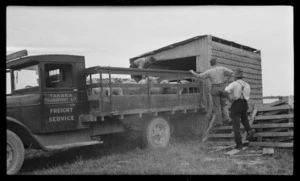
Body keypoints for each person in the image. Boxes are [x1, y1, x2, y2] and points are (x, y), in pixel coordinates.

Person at [190, 58, 233, 127]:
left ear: (211, 64)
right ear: (216, 63)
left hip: (215, 88)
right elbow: (231, 72)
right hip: (222, 87)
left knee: (217, 106)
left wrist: (192, 72)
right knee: (224, 104)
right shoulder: (222, 68)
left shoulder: (210, 71)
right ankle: (226, 118)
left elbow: (200, 76)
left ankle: (219, 122)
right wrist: (226, 80)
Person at [224, 68, 255, 149]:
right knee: (244, 118)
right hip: (245, 104)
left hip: (236, 104)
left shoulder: (234, 83)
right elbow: (247, 95)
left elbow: (225, 91)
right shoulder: (247, 85)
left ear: (235, 77)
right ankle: (249, 131)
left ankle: (239, 145)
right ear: (242, 77)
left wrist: (229, 99)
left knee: (236, 126)